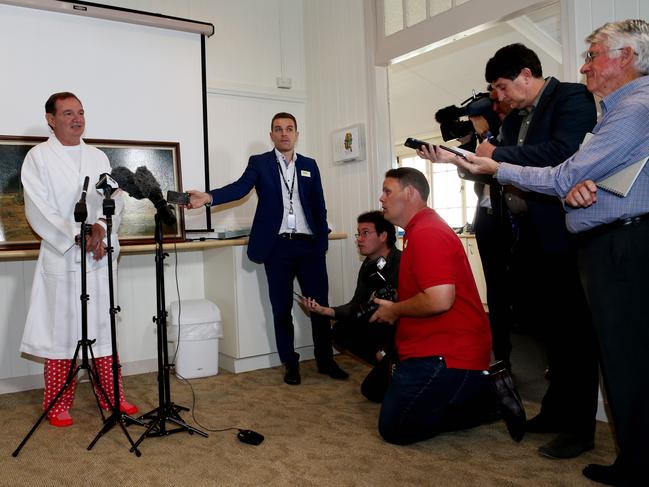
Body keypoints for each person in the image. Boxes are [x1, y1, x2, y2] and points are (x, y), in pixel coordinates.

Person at [434, 19, 649, 486]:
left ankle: (606, 443)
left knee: (599, 347)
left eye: (594, 55)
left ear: (627, 58)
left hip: (606, 242)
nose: (584, 64)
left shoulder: (605, 104)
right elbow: (577, 171)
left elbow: (563, 164)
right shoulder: (534, 116)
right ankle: (571, 420)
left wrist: (513, 164)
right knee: (561, 335)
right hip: (551, 237)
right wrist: (469, 161)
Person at [420, 43, 600, 460]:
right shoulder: (517, 117)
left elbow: (564, 153)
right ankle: (556, 413)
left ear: (525, 74)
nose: (498, 96)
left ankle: (580, 429)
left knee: (574, 337)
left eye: (501, 86)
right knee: (551, 336)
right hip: (527, 238)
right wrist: (456, 160)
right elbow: (492, 170)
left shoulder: (571, 98)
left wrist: (495, 155)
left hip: (563, 235)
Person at [187, 112, 347, 385]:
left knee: (319, 306)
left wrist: (320, 244)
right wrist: (209, 197)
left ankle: (325, 359)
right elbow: (239, 189)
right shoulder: (259, 163)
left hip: (309, 247)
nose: (284, 133)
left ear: (297, 134)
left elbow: (319, 206)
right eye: (278, 129)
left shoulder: (310, 165)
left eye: (289, 129)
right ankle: (290, 363)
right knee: (281, 309)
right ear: (271, 135)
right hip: (278, 248)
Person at [370, 167, 525, 445]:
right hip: (427, 343)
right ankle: (469, 392)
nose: (381, 198)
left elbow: (440, 299)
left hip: (447, 352)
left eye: (387, 191)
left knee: (394, 428)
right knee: (376, 390)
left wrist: (395, 310)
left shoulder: (428, 232)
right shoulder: (419, 230)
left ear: (410, 193)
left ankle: (486, 398)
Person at [20, 92, 138, 427]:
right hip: (63, 256)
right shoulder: (38, 158)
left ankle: (111, 395)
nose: (77, 119)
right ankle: (57, 402)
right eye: (68, 113)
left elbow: (114, 197)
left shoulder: (98, 156)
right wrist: (77, 236)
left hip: (98, 256)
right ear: (50, 119)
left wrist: (100, 228)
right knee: (62, 330)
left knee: (103, 325)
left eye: (81, 112)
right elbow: (39, 208)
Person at [301, 210, 401, 402]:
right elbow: (357, 305)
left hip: (404, 333)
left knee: (372, 391)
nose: (359, 239)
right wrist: (324, 310)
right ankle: (386, 363)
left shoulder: (403, 263)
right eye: (358, 234)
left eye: (365, 233)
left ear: (383, 236)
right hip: (382, 327)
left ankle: (391, 360)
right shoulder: (369, 265)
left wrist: (386, 349)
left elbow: (413, 316)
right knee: (341, 331)